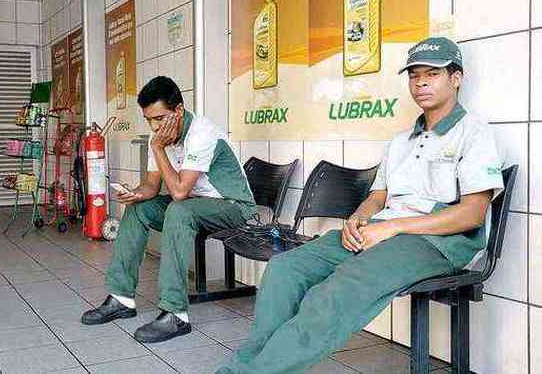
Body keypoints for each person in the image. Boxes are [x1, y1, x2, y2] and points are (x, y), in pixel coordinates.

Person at [218, 37, 505, 373]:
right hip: (381, 232)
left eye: (433, 74)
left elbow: (473, 213)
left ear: (455, 78)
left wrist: (392, 227)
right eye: (414, 76)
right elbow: (377, 197)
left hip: (435, 243)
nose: (421, 82)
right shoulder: (400, 142)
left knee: (337, 289)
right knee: (286, 269)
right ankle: (253, 365)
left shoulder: (474, 133)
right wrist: (357, 221)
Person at [81, 76, 256, 343]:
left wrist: (157, 147)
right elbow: (152, 185)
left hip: (234, 208)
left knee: (179, 209)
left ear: (179, 110)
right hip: (196, 206)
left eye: (160, 118)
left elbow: (179, 192)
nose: (155, 126)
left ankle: (175, 313)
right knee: (140, 209)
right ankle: (121, 298)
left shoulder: (201, 133)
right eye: (149, 120)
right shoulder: (160, 137)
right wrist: (135, 193)